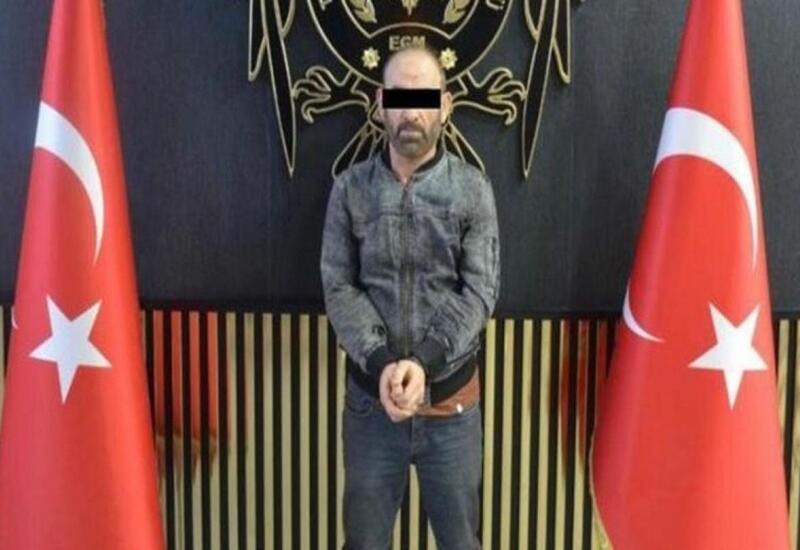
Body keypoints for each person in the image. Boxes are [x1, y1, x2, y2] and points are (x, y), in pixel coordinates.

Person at [320, 44, 500, 550]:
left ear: (445, 104)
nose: (411, 113)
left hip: (451, 409)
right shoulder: (350, 190)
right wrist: (381, 363)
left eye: (424, 98)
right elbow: (339, 286)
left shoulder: (472, 190)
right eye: (400, 98)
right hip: (370, 408)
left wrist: (424, 361)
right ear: (381, 104)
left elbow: (480, 290)